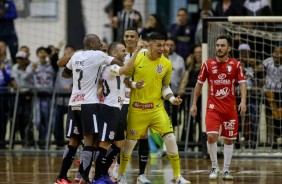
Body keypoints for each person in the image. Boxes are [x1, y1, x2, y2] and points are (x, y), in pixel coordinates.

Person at [117, 32, 190, 184]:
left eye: (164, 45)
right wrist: (134, 84)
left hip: (157, 109)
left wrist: (171, 98)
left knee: (170, 138)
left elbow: (165, 86)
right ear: (149, 45)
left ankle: (178, 176)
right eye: (159, 45)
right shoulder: (137, 58)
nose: (162, 48)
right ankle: (122, 174)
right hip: (137, 109)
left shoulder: (166, 64)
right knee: (129, 144)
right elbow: (126, 80)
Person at [55, 34, 123, 184]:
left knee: (73, 141)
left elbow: (64, 71)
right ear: (93, 44)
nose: (101, 46)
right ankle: (84, 177)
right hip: (89, 103)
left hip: (74, 102)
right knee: (89, 141)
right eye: (99, 43)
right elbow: (119, 62)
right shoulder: (99, 55)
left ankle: (61, 177)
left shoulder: (78, 55)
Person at [190, 35, 247, 180]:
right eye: (217, 45)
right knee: (211, 136)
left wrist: (243, 101)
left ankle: (226, 170)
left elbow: (242, 83)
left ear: (229, 48)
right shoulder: (208, 64)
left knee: (228, 140)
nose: (219, 48)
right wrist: (194, 104)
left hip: (230, 109)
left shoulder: (236, 64)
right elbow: (199, 84)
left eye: (222, 45)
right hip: (213, 108)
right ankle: (214, 167)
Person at [93, 41, 143, 183]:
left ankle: (104, 174)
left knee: (119, 144)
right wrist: (137, 51)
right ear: (114, 53)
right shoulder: (109, 67)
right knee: (104, 144)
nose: (125, 52)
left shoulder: (117, 67)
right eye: (122, 50)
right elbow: (127, 68)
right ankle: (98, 177)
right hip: (108, 109)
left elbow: (124, 79)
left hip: (117, 109)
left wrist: (134, 84)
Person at [111, 27, 151, 184]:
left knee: (143, 135)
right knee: (124, 137)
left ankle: (141, 174)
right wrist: (133, 83)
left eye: (132, 36)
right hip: (123, 100)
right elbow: (124, 77)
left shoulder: (144, 54)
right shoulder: (119, 54)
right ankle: (120, 171)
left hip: (141, 100)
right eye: (126, 36)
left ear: (137, 38)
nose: (129, 38)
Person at [53, 45, 75, 150]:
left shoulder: (76, 64)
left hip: (72, 100)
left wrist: (71, 86)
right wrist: (55, 51)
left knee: (72, 123)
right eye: (66, 51)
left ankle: (72, 144)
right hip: (59, 100)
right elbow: (54, 60)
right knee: (57, 122)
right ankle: (59, 144)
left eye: (70, 51)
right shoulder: (59, 64)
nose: (68, 53)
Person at [262, 47, 282, 149]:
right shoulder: (267, 62)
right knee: (271, 116)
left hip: (280, 92)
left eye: (279, 53)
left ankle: (279, 138)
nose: (276, 55)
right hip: (270, 93)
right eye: (274, 52)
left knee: (279, 116)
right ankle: (273, 140)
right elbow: (259, 69)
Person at [164, 38, 185, 129]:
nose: (169, 47)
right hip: (161, 92)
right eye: (167, 44)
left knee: (174, 118)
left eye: (171, 45)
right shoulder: (159, 57)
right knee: (164, 116)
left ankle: (174, 137)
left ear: (175, 46)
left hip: (175, 92)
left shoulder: (179, 59)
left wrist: (181, 88)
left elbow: (183, 75)